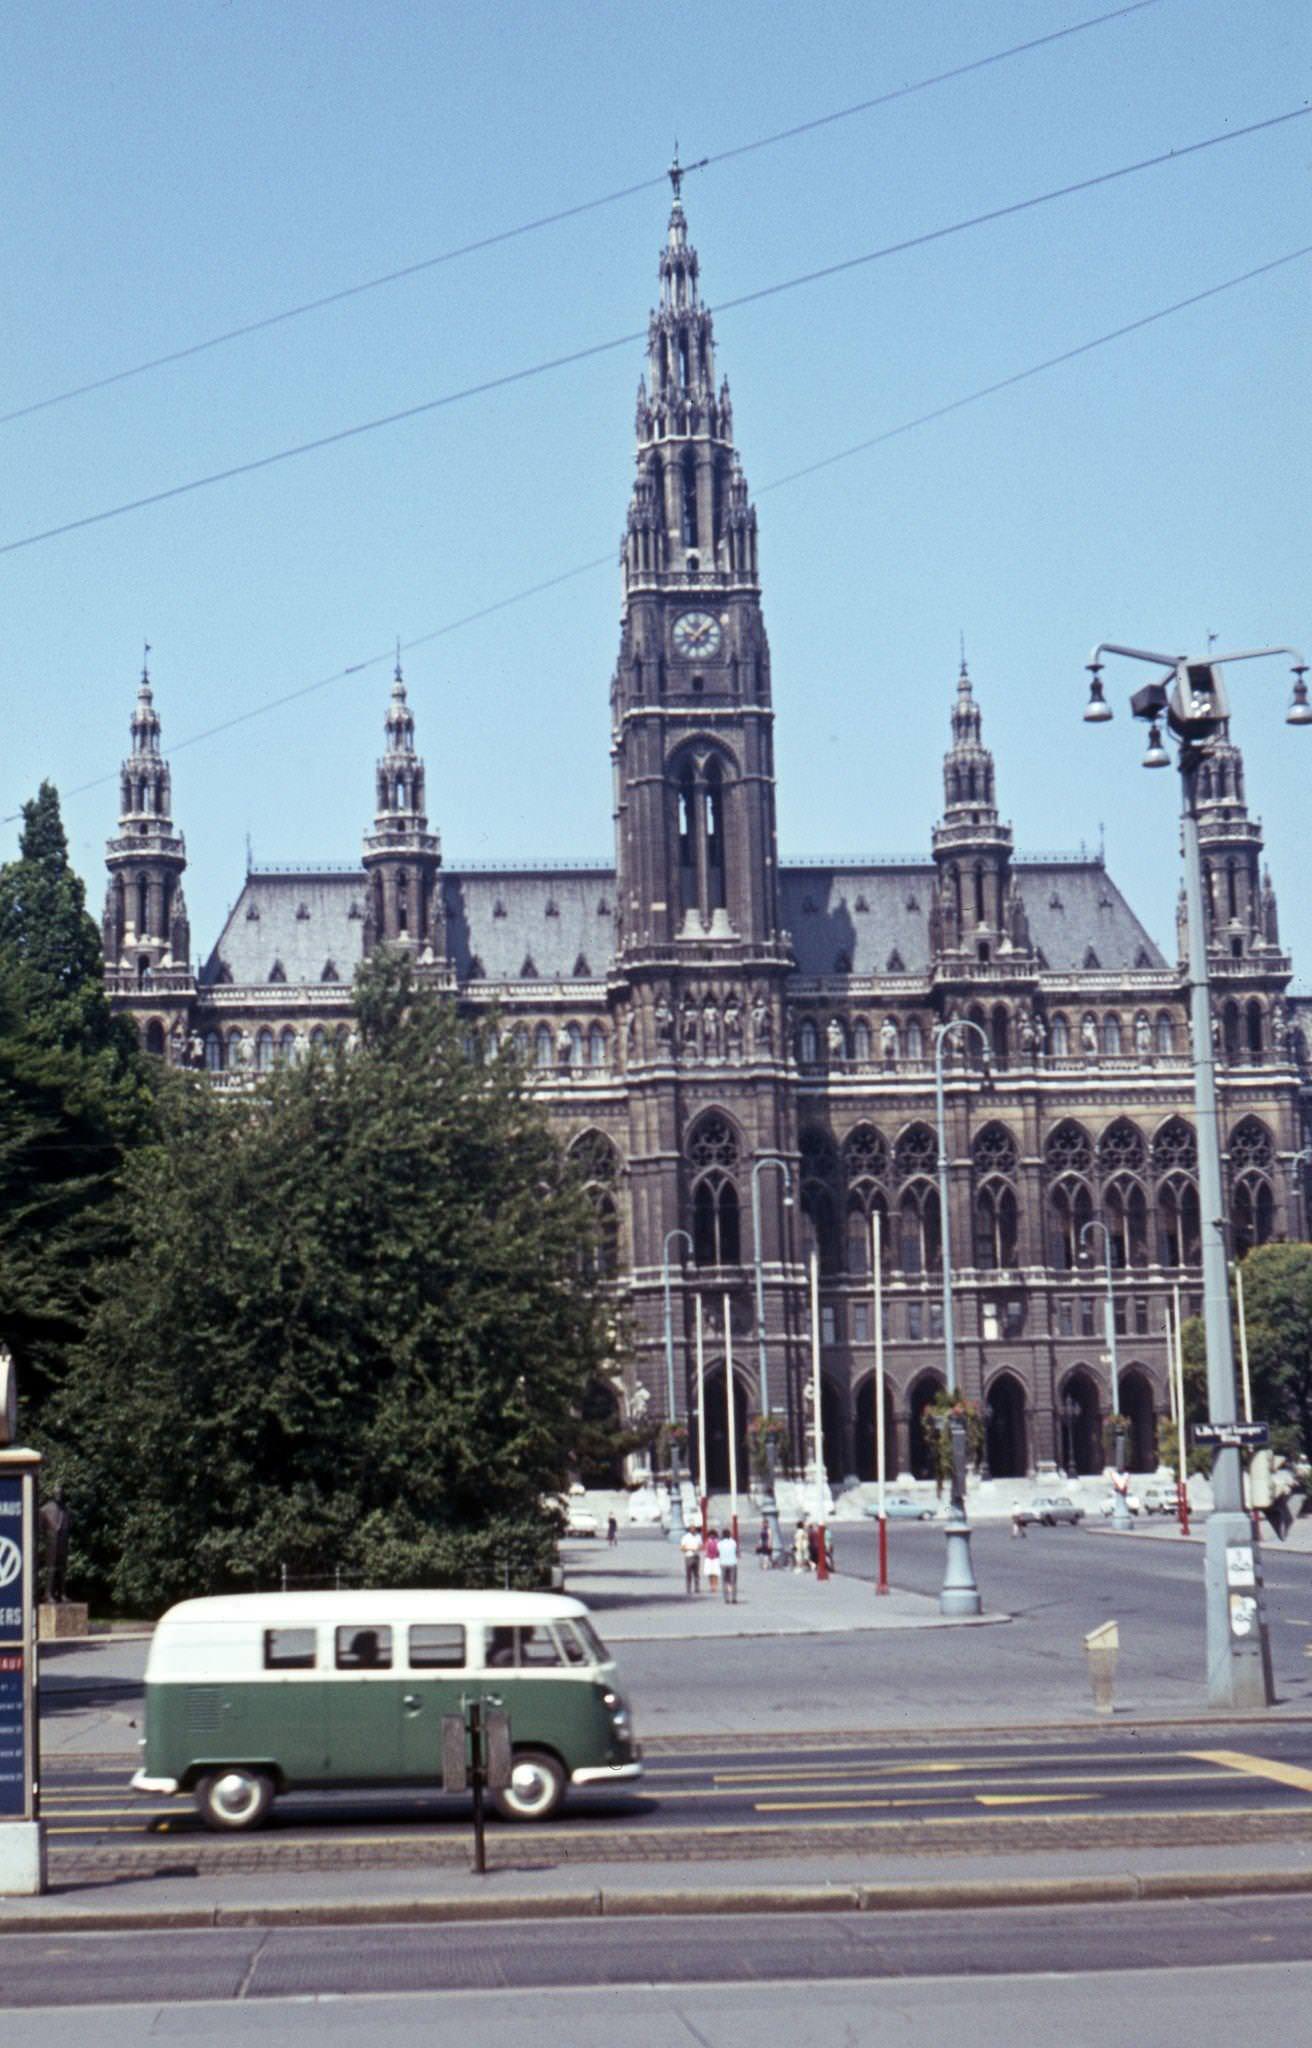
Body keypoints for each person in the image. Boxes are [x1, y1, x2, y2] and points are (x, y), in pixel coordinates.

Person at [679, 1523, 702, 1595]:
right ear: (689, 1529)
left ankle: (697, 1587)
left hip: (696, 1556)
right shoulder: (685, 1537)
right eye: (692, 1528)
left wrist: (698, 1548)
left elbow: (701, 1545)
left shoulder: (698, 1536)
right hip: (688, 1556)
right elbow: (682, 1548)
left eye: (694, 1528)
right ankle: (688, 1588)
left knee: (696, 1574)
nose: (693, 1530)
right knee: (688, 1573)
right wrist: (690, 1549)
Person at [719, 1527, 739, 1604]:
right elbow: (736, 1552)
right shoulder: (733, 1542)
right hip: (732, 1563)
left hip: (723, 1563)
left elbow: (718, 1553)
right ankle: (734, 1598)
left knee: (724, 1582)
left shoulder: (720, 1543)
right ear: (730, 1535)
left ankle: (726, 1598)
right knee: (733, 1582)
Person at [704, 1526, 721, 1595]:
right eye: (711, 1535)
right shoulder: (707, 1542)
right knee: (710, 1573)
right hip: (709, 1558)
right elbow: (706, 1550)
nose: (712, 1536)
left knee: (716, 1573)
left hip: (716, 1558)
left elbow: (719, 1550)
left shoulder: (717, 1542)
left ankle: (715, 1586)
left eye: (713, 1535)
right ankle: (711, 1585)